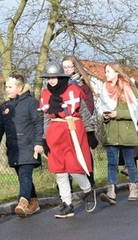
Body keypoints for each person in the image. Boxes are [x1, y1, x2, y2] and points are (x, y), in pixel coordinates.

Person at [39, 62, 97, 217]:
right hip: (55, 132)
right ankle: (67, 204)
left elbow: (84, 111)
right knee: (60, 170)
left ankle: (88, 191)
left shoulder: (74, 90)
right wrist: (44, 138)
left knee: (73, 167)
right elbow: (46, 118)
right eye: (49, 77)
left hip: (73, 130)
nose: (51, 80)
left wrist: (90, 132)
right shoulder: (45, 94)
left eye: (54, 77)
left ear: (60, 77)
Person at [0, 74, 44, 217]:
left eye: (10, 87)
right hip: (14, 149)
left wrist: (39, 142)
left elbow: (38, 123)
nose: (7, 90)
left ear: (19, 88)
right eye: (6, 87)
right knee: (22, 176)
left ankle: (23, 201)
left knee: (25, 174)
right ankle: (34, 202)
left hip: (29, 146)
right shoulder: (5, 107)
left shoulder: (32, 102)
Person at [97, 62, 138, 204]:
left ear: (117, 72)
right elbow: (98, 110)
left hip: (126, 130)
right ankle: (111, 191)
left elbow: (136, 111)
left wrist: (118, 113)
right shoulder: (103, 90)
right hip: (111, 132)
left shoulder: (128, 88)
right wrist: (103, 116)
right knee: (112, 163)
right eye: (105, 71)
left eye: (108, 71)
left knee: (130, 162)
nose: (106, 74)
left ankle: (133, 188)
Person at [63, 56, 100, 184]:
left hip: (80, 125)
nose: (67, 70)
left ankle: (90, 182)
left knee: (84, 154)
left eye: (69, 67)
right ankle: (67, 185)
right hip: (65, 126)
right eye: (64, 67)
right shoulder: (61, 86)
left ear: (75, 68)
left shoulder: (83, 86)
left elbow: (88, 107)